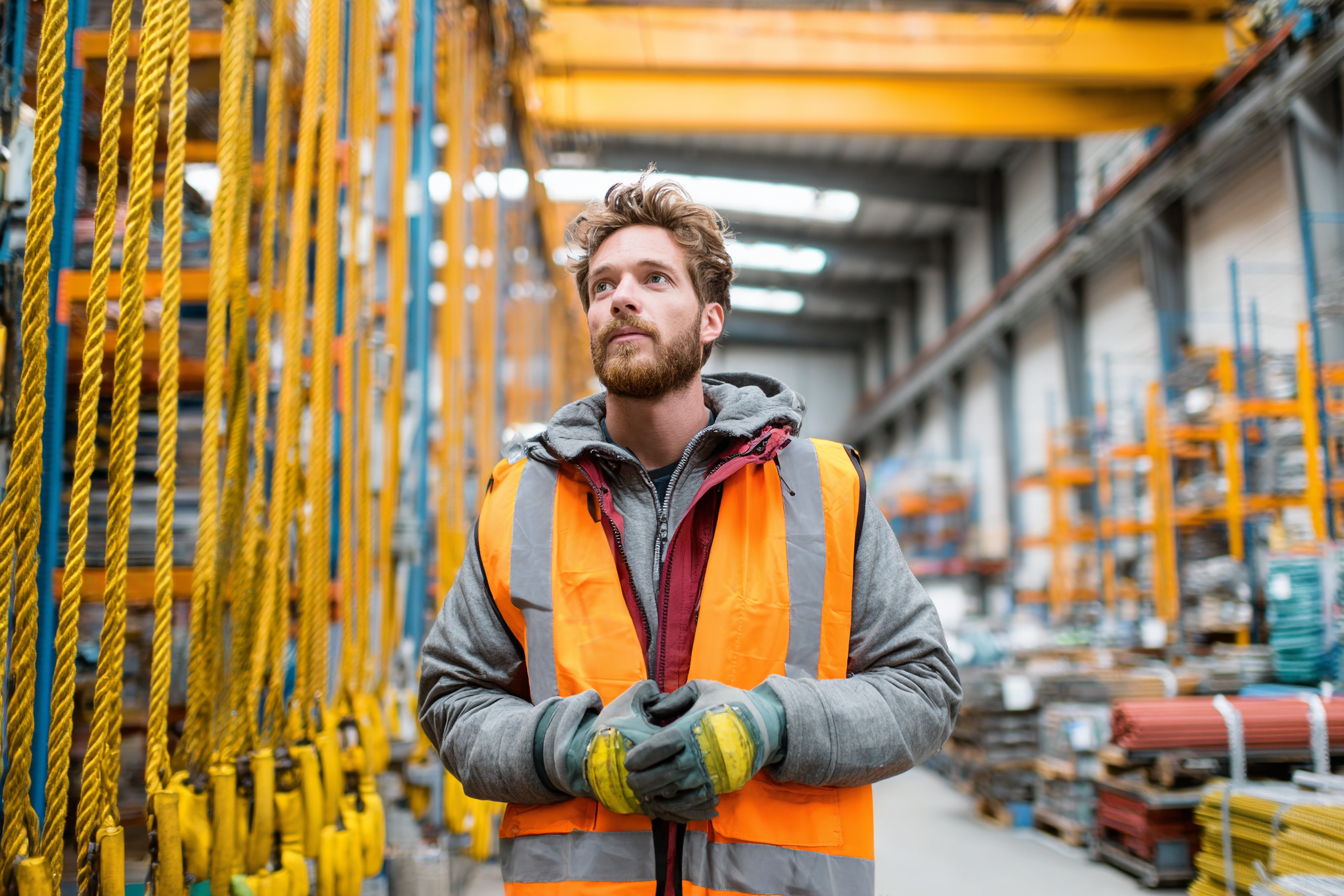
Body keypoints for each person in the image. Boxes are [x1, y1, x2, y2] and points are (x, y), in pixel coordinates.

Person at [418, 173, 962, 896]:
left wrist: (770, 724)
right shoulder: (519, 500)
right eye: (603, 285)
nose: (622, 297)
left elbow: (923, 689)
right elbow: (453, 698)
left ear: (710, 320)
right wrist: (569, 750)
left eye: (654, 278)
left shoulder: (825, 489)